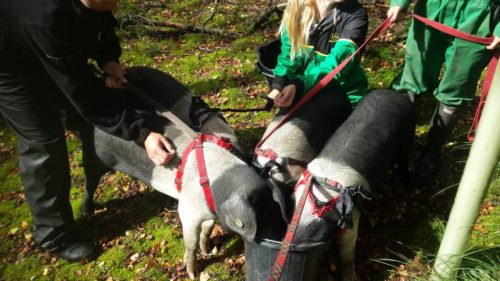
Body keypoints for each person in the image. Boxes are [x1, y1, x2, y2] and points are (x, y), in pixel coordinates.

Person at [0, 0, 176, 262]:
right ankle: (53, 234)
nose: (116, 6)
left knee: (86, 120)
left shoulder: (96, 4)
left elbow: (101, 20)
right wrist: (142, 133)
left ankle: (97, 172)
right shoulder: (46, 16)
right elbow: (82, 94)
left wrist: (108, 57)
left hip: (42, 44)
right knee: (44, 139)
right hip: (9, 63)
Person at [388, 0, 500, 178]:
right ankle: (392, 140)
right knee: (412, 77)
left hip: (479, 17)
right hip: (432, 7)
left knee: (457, 87)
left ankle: (431, 151)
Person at [268, 0, 368, 108]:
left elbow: (337, 64)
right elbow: (290, 55)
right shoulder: (296, 11)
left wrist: (300, 85)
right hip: (305, 92)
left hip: (346, 96)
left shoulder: (355, 13)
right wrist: (278, 86)